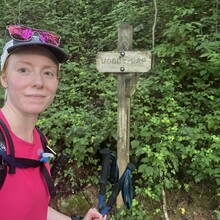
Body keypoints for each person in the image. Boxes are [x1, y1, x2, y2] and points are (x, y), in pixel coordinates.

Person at [0, 25, 106, 220]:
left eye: (48, 72)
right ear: (4, 78)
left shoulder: (40, 141)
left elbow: (34, 209)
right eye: (24, 69)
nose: (38, 82)